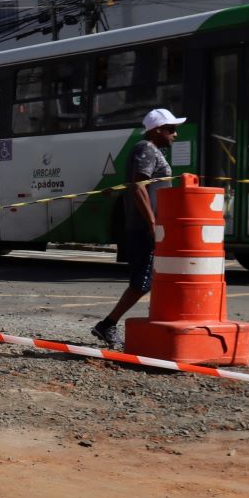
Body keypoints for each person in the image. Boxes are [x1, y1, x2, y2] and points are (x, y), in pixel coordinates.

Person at [92, 107, 185, 349]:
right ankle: (107, 324)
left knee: (156, 277)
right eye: (171, 130)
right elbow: (138, 186)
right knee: (142, 281)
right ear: (157, 130)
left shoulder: (152, 150)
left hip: (151, 226)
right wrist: (152, 223)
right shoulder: (145, 148)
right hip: (144, 228)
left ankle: (162, 324)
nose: (175, 134)